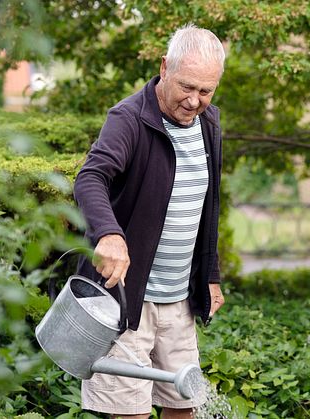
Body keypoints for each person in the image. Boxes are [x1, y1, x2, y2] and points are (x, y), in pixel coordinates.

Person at [72, 23, 226, 419]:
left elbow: (206, 207)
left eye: (206, 91)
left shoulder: (210, 124)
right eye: (187, 87)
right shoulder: (128, 119)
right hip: (125, 302)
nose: (194, 101)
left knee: (183, 409)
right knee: (131, 415)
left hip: (179, 304)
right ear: (164, 68)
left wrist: (210, 272)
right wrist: (107, 234)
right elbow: (90, 177)